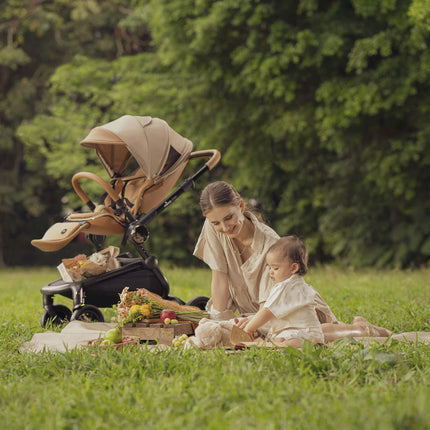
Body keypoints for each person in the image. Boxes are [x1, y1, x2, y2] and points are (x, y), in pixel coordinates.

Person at [193, 181, 279, 328]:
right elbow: (219, 276)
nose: (225, 228)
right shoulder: (212, 226)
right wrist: (218, 322)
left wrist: (251, 325)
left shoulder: (272, 245)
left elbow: (272, 305)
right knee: (207, 329)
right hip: (249, 318)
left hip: (274, 314)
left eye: (229, 218)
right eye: (216, 223)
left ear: (241, 206)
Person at [235, 235, 337, 348]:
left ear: (293, 268)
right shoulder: (301, 285)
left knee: (286, 343)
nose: (271, 272)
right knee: (278, 339)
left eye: (275, 268)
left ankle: (306, 344)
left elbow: (267, 311)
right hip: (311, 332)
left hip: (300, 332)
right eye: (269, 267)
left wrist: (249, 328)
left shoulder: (284, 288)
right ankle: (310, 343)